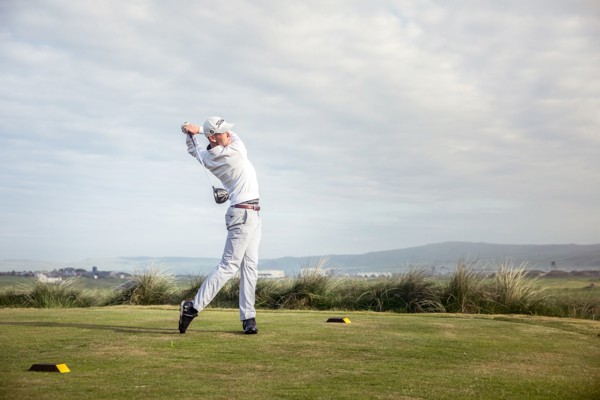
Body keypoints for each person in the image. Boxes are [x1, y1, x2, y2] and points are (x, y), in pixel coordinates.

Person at [179, 116, 262, 334]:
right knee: (229, 267)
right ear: (214, 137)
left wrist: (191, 135)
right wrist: (197, 131)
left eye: (226, 131)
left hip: (251, 215)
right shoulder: (235, 150)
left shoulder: (208, 157)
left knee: (250, 267)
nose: (228, 133)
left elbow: (193, 151)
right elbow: (233, 137)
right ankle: (193, 308)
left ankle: (248, 318)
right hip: (243, 214)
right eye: (222, 132)